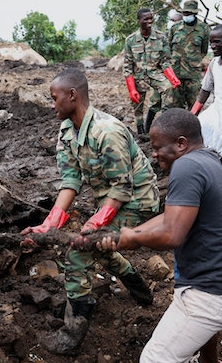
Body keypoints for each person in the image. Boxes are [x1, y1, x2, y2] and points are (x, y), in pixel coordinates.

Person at [20, 68, 160, 355]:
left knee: (78, 250)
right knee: (93, 244)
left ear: (72, 96)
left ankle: (72, 336)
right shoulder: (66, 130)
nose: (52, 104)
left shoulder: (106, 131)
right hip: (111, 200)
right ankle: (139, 289)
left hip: (138, 201)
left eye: (54, 98)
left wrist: (94, 224)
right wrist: (49, 225)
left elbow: (122, 187)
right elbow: (70, 181)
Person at [98, 108, 222, 363]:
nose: (153, 155)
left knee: (155, 359)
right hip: (216, 282)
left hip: (206, 291)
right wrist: (130, 233)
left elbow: (172, 234)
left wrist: (135, 239)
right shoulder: (211, 161)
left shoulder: (186, 167)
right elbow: (170, 216)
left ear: (181, 143)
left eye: (157, 147)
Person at [123, 8, 181, 138]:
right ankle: (141, 130)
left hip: (155, 74)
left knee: (168, 88)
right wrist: (131, 89)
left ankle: (165, 123)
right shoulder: (130, 40)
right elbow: (127, 66)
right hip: (138, 76)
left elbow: (166, 61)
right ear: (139, 21)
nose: (149, 21)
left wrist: (172, 78)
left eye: (151, 18)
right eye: (146, 19)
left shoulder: (161, 37)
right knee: (137, 104)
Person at [169, 0, 210, 110]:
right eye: (184, 13)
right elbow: (168, 48)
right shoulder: (175, 28)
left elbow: (204, 50)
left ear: (195, 13)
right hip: (175, 75)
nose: (186, 15)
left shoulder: (204, 29)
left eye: (189, 13)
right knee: (174, 107)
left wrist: (193, 61)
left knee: (194, 107)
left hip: (193, 76)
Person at [191, 25, 222, 155]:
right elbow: (205, 91)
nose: (213, 46)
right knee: (202, 129)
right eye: (211, 42)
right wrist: (192, 114)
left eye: (217, 42)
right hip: (218, 109)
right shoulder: (214, 63)